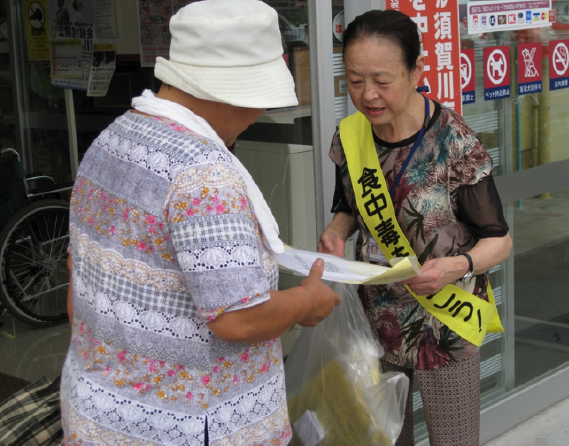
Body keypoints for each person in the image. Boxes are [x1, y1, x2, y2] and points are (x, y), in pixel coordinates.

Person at [61, 1, 340, 445]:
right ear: (226, 90)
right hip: (192, 424)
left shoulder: (112, 139)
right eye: (255, 101)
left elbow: (78, 285)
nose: (257, 115)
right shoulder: (205, 174)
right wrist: (307, 301)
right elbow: (239, 319)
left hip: (98, 413)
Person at [318, 10, 512, 446]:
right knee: (386, 438)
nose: (367, 95)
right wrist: (336, 229)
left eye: (382, 81)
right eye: (353, 80)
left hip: (444, 321)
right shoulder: (351, 135)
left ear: (415, 71)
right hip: (377, 320)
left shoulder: (452, 141)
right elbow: (349, 206)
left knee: (453, 439)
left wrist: (456, 266)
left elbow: (499, 239)